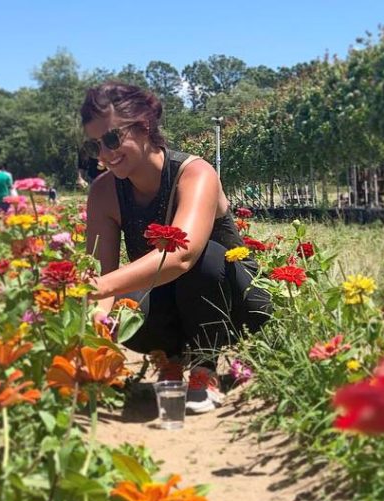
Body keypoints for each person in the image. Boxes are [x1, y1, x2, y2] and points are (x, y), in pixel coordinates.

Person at [81, 81, 271, 413]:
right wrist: (94, 331)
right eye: (95, 145)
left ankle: (205, 366)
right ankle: (170, 358)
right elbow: (103, 272)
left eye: (112, 139)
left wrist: (96, 288)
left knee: (204, 255)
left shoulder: (194, 173)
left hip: (231, 297)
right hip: (169, 294)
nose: (105, 155)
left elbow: (183, 256)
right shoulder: (104, 192)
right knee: (125, 307)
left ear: (143, 126)